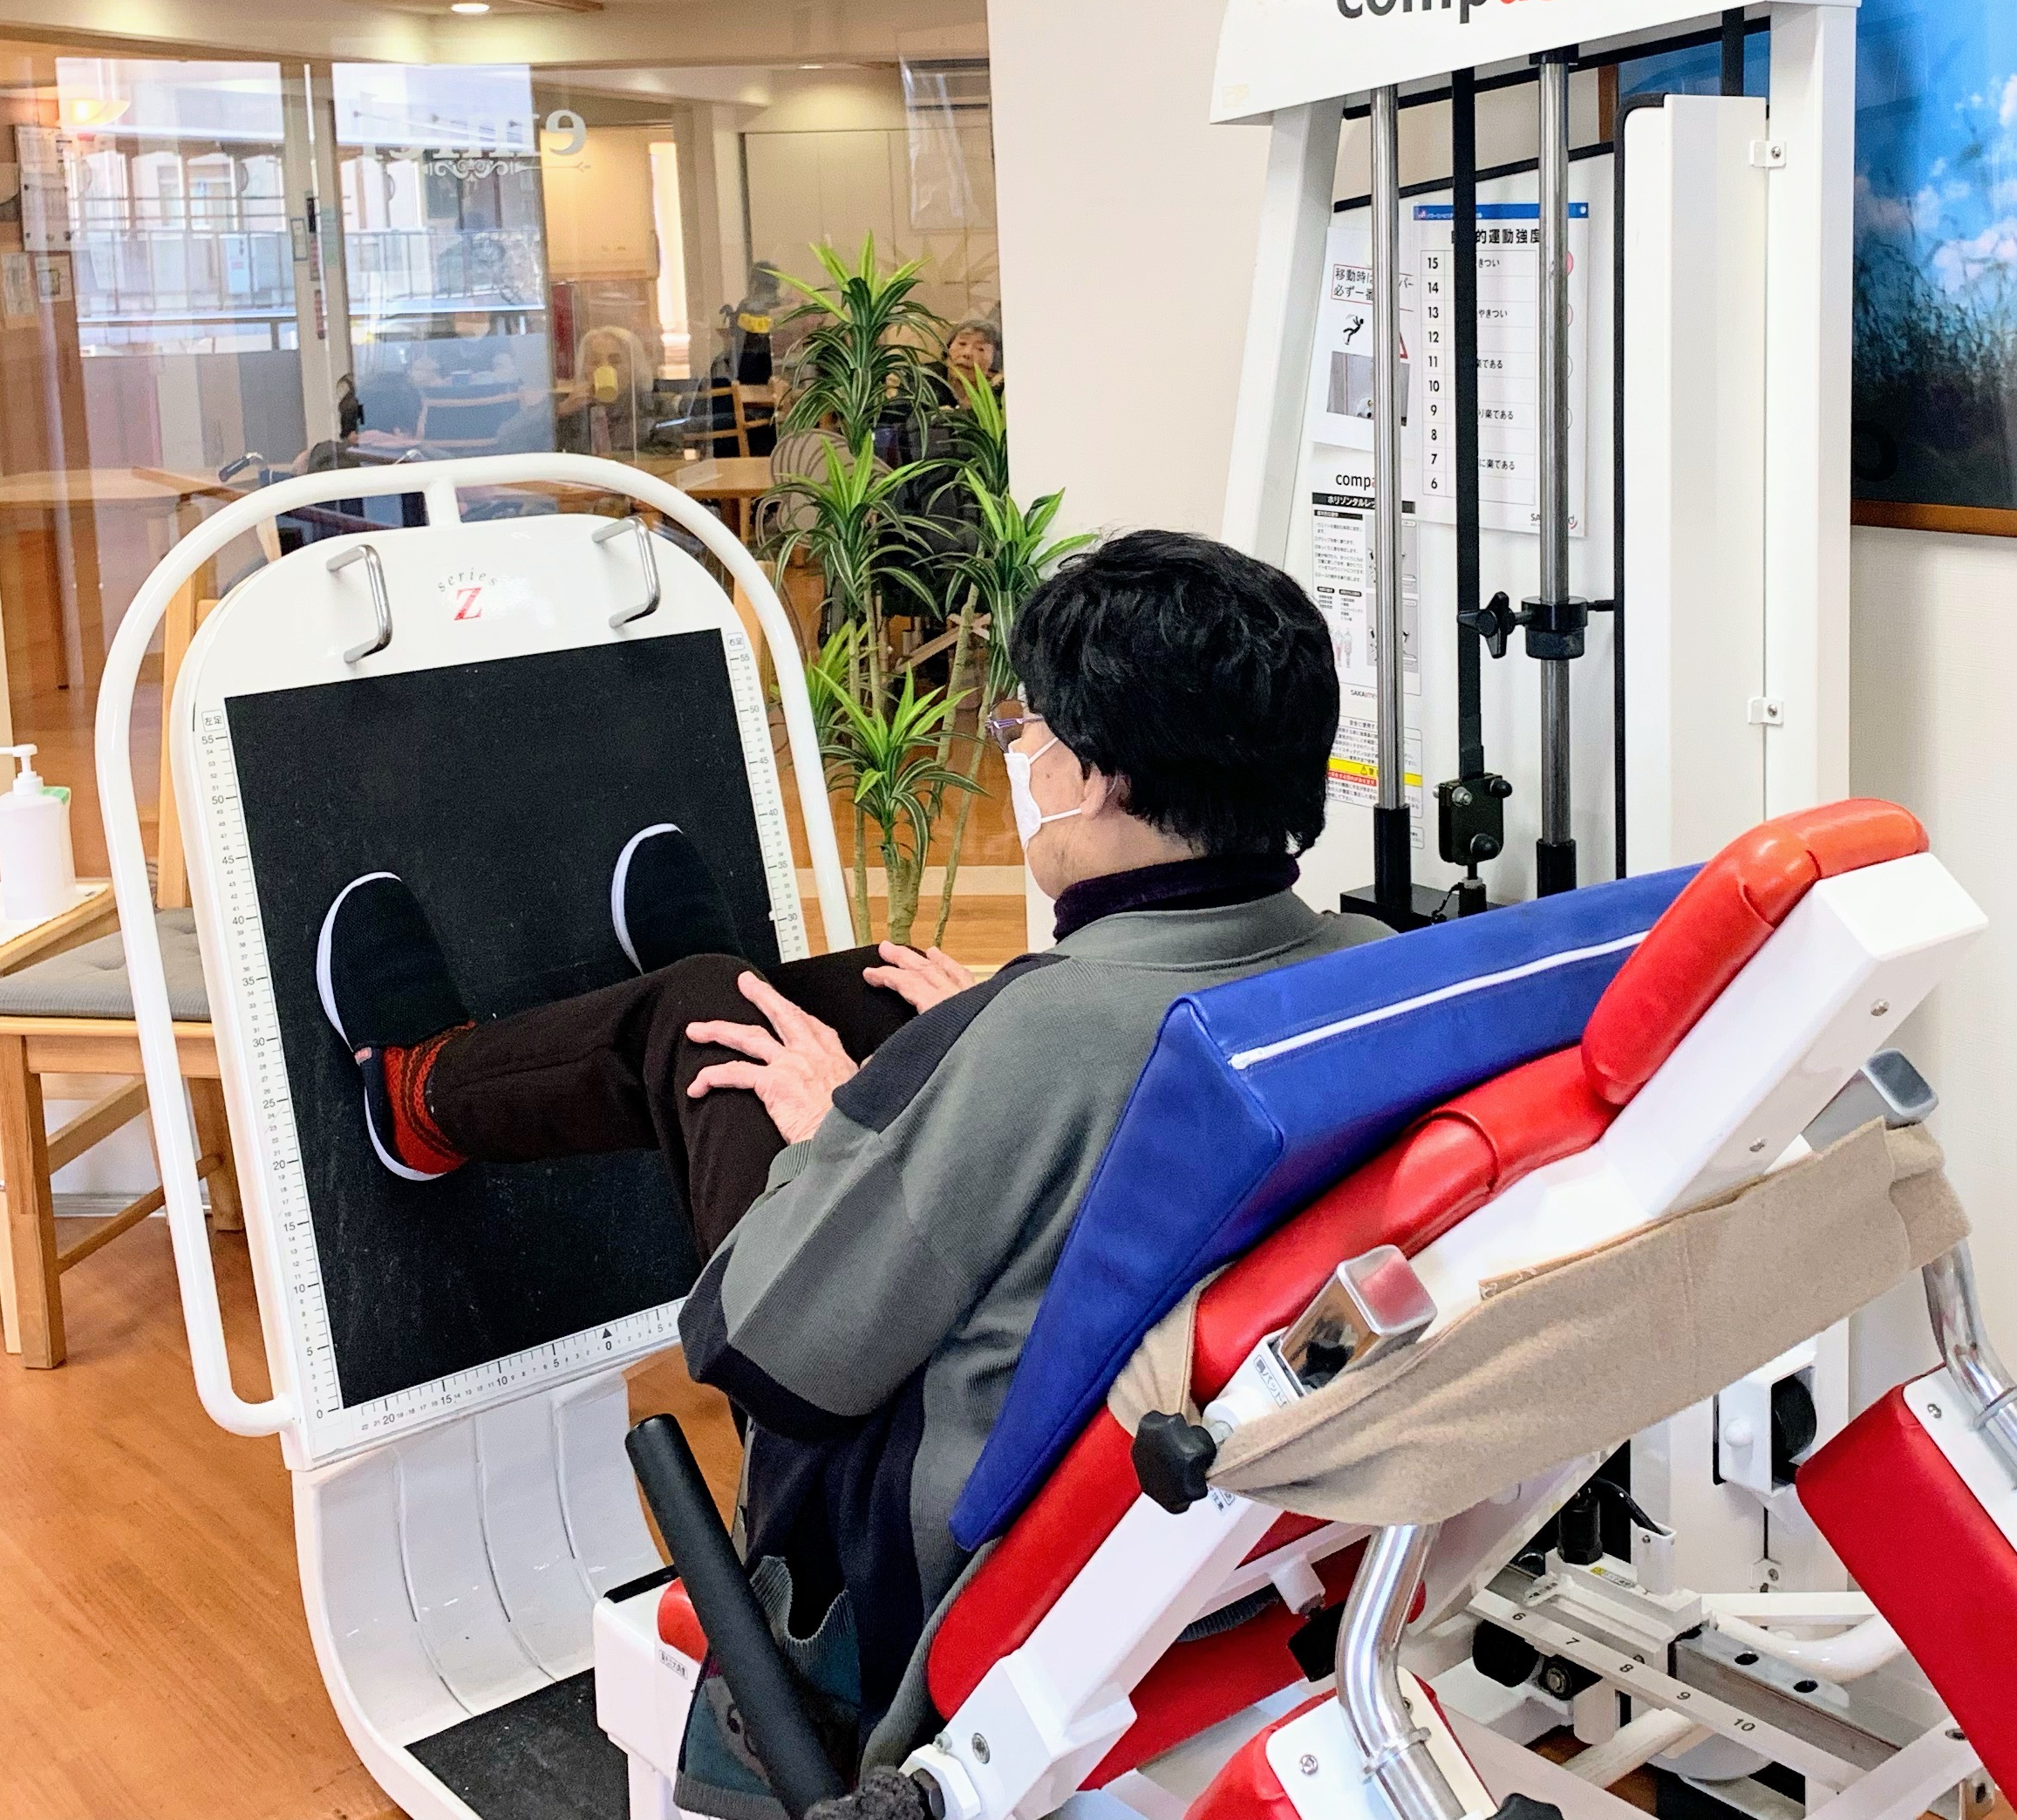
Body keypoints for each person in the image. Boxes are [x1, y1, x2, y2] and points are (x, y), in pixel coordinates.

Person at [309, 529, 1375, 1727]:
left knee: (701, 1025)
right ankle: (713, 991)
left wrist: (836, 1130)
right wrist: (976, 1036)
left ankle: (423, 1093)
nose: (1024, 758)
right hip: (1195, 1487)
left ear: (1093, 778)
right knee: (879, 988)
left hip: (912, 1550)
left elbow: (766, 1343)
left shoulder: (1044, 1034)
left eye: (1029, 732)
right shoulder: (1371, 965)